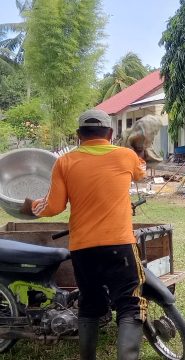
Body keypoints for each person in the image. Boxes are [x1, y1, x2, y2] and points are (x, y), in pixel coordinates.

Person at [20, 109, 148, 360]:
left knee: (89, 306)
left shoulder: (65, 162)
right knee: (130, 306)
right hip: (119, 244)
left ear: (79, 136)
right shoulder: (125, 155)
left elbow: (54, 206)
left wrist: (31, 206)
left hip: (83, 248)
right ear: (110, 133)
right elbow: (141, 172)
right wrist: (138, 151)